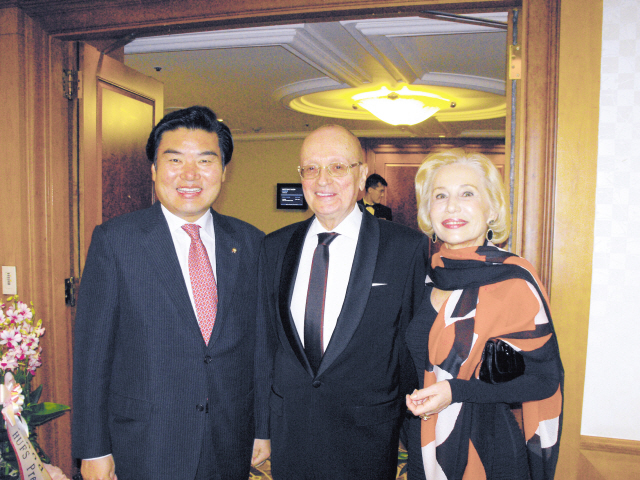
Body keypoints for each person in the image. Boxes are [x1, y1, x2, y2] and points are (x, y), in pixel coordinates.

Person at [72, 106, 269, 480]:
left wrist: (263, 427)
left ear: (224, 171)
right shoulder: (116, 240)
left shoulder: (251, 242)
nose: (190, 175)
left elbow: (259, 346)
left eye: (205, 161)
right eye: (175, 159)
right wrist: (93, 448)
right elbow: (91, 355)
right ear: (154, 170)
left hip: (229, 440)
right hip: (145, 442)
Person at [256, 125, 429, 479]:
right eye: (311, 168)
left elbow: (412, 349)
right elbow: (266, 345)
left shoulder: (405, 247)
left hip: (369, 431)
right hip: (291, 430)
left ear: (361, 174)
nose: (323, 180)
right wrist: (262, 425)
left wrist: (415, 429)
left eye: (338, 167)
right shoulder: (273, 246)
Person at [405, 149, 564, 480]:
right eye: (440, 195)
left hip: (486, 451)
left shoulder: (513, 281)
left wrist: (456, 392)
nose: (451, 206)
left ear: (492, 209)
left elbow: (544, 381)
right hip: (422, 440)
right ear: (427, 211)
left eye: (467, 193)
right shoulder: (425, 275)